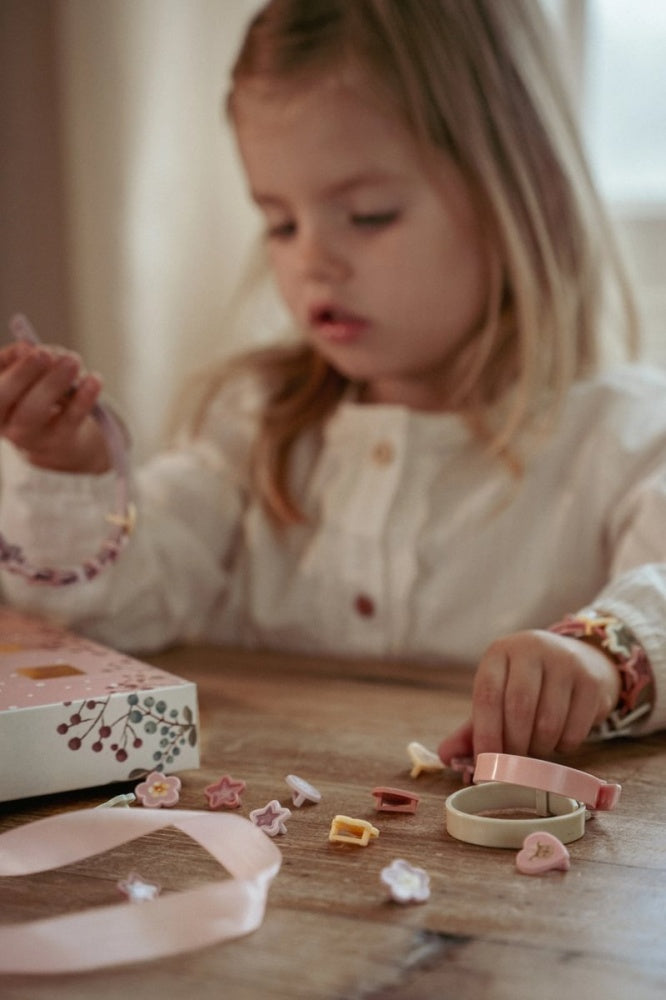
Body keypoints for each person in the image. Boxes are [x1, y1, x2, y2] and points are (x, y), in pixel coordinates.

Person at [0, 0, 665, 764]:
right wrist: (70, 474)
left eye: (369, 215)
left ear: (526, 192)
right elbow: (110, 616)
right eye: (280, 224)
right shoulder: (253, 425)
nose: (311, 260)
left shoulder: (624, 436)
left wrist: (601, 656)